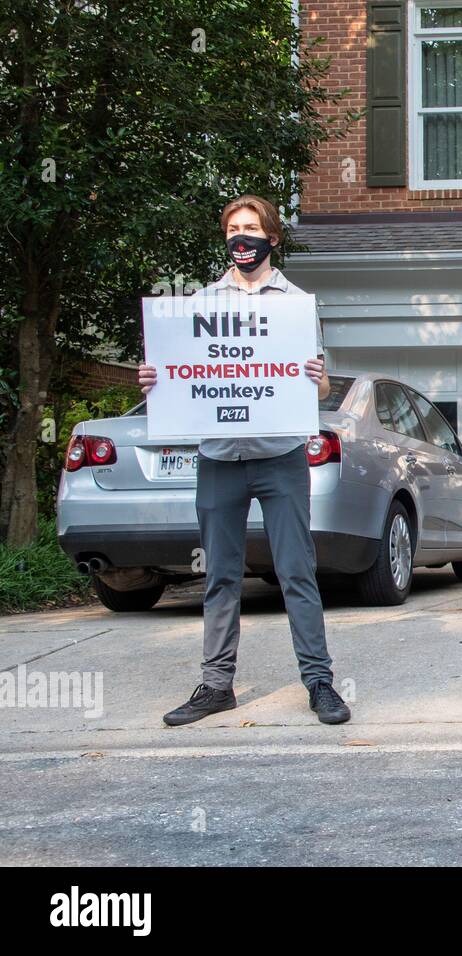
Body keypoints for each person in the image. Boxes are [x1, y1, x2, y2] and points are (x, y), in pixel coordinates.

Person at [139, 195, 351, 726]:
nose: (241, 237)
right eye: (233, 228)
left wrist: (316, 377)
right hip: (218, 458)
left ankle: (319, 681)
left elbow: (320, 386)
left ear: (271, 238)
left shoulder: (296, 304)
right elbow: (186, 377)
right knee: (220, 576)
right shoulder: (201, 304)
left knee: (296, 571)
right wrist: (155, 381)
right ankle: (216, 685)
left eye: (251, 228)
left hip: (279, 456)